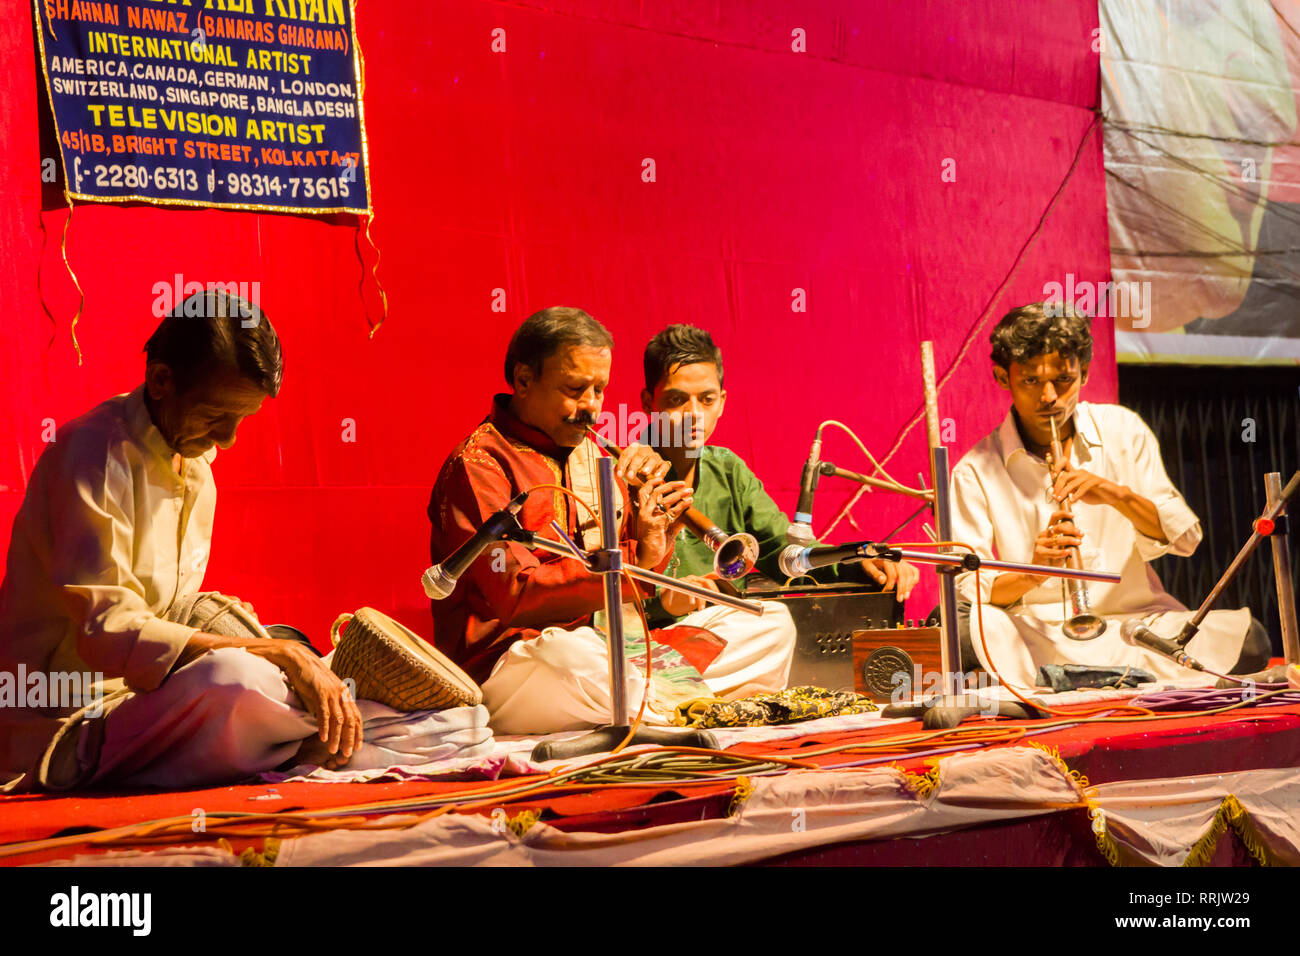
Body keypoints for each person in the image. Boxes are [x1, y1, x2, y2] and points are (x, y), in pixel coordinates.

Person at [0, 291, 363, 791]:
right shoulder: (92, 455)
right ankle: (301, 737)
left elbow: (171, 611)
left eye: (242, 419)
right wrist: (269, 654)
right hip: (62, 718)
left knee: (321, 683)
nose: (230, 438)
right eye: (217, 416)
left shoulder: (196, 469)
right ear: (162, 379)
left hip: (141, 703)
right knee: (235, 679)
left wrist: (276, 646)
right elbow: (107, 632)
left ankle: (327, 728)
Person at [428, 307, 797, 734]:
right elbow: (517, 594)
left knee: (769, 623)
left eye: (599, 391)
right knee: (571, 659)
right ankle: (672, 704)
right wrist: (638, 554)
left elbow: (630, 580)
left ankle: (654, 705)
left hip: (609, 652)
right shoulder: (480, 464)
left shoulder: (600, 455)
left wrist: (652, 532)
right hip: (519, 662)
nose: (591, 407)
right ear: (524, 381)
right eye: (575, 389)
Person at [949, 302, 1270, 687]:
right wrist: (1034, 570)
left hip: (1132, 626)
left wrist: (1114, 494)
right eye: (1030, 381)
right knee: (963, 629)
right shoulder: (975, 470)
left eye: (1063, 380)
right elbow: (970, 591)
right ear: (1004, 377)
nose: (1049, 397)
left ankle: (1074, 679)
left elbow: (1186, 538)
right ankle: (1116, 677)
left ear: (1084, 373)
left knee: (1251, 639)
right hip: (1039, 633)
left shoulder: (1123, 430)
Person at [637, 324, 917, 623]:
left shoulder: (728, 470)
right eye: (677, 399)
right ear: (647, 403)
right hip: (643, 642)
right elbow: (601, 601)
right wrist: (666, 605)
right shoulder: (621, 476)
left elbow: (787, 554)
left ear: (722, 403)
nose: (694, 413)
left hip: (728, 632)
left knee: (778, 620)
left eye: (707, 399)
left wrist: (858, 560)